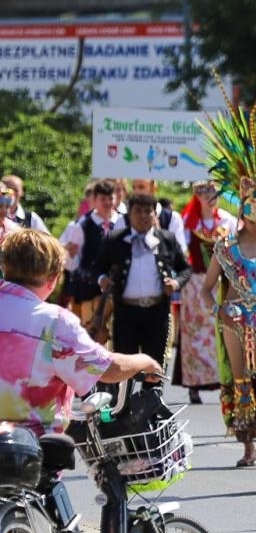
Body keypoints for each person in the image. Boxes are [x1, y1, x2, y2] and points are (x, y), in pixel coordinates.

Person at [0, 228, 164, 436]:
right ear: (54, 278)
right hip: (33, 442)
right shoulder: (54, 322)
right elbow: (108, 369)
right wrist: (145, 361)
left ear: (5, 267)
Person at [199, 96, 256, 469]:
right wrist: (218, 309)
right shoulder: (225, 247)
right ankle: (248, 444)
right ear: (243, 211)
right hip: (235, 318)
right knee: (241, 381)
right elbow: (206, 287)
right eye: (254, 211)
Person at [95, 191, 188, 365]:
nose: (143, 215)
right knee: (124, 367)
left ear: (155, 214)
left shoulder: (166, 239)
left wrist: (175, 283)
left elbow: (185, 269)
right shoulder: (115, 240)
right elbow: (98, 267)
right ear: (129, 214)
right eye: (138, 211)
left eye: (148, 211)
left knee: (153, 369)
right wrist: (102, 279)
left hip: (157, 313)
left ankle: (151, 383)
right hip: (125, 314)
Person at [176, 181, 235, 403]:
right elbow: (180, 251)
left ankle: (226, 380)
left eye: (214, 194)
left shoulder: (227, 221)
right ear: (197, 196)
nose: (211, 198)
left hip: (222, 282)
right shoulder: (188, 222)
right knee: (195, 335)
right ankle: (194, 383)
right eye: (206, 194)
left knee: (222, 330)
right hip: (195, 284)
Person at [59, 179, 122, 335]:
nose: (107, 203)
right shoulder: (82, 225)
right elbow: (73, 265)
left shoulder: (123, 221)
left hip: (118, 288)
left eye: (110, 198)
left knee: (117, 335)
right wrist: (70, 255)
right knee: (92, 335)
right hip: (90, 289)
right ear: (94, 199)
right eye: (103, 199)